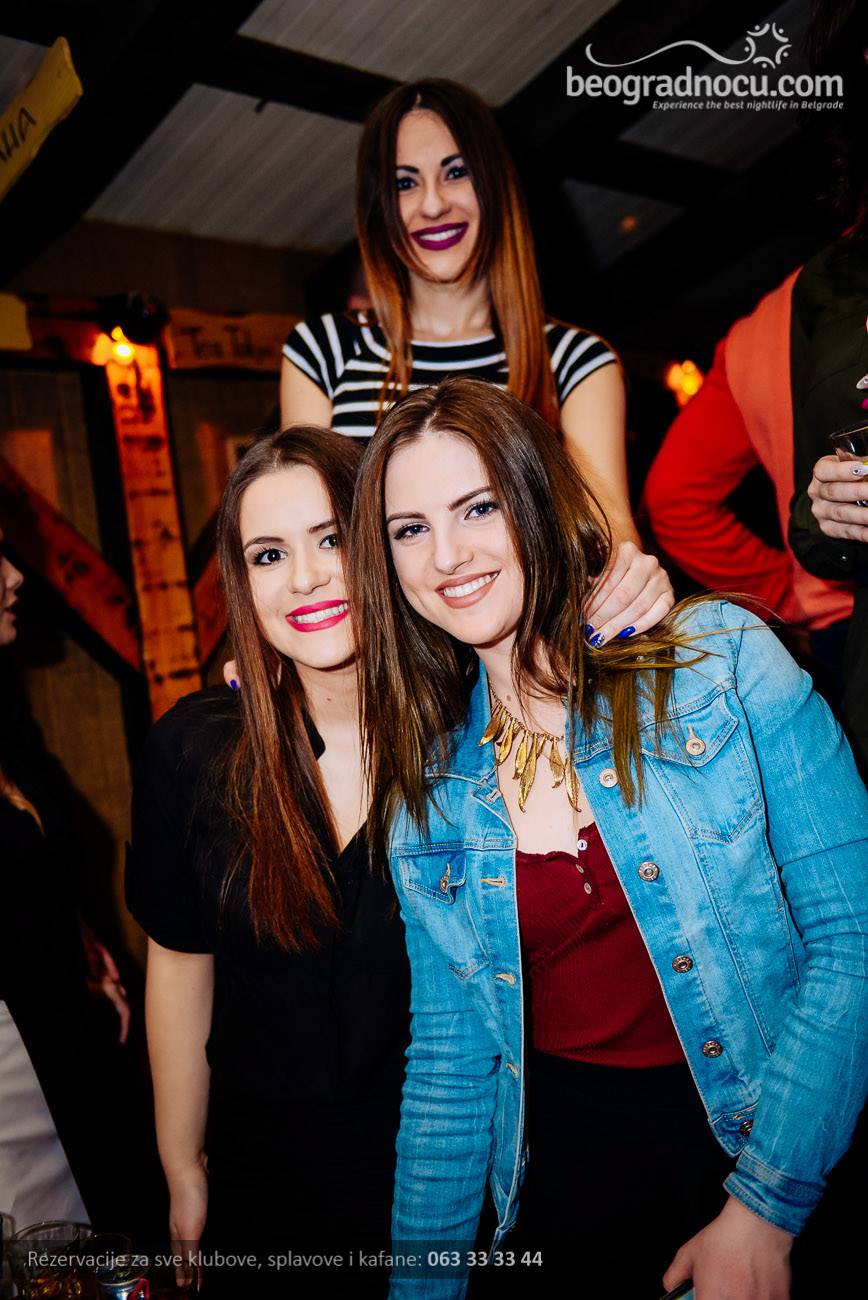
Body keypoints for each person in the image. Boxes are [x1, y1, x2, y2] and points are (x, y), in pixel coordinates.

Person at [348, 379, 868, 1299]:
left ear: (537, 500)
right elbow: (450, 1072)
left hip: (779, 1145)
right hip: (569, 1202)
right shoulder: (426, 795)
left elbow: (853, 939)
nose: (448, 555)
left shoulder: (720, 663)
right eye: (410, 529)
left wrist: (765, 1208)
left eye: (479, 507)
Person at [126, 428, 410, 1297]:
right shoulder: (194, 750)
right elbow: (180, 962)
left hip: (444, 1175)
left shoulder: (470, 740)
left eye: (332, 538)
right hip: (266, 1184)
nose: (307, 577)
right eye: (269, 555)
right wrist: (182, 1167)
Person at [282, 77, 673, 647]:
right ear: (378, 207)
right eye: (404, 183)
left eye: (456, 172)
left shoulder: (576, 361)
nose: (432, 203)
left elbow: (607, 534)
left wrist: (630, 583)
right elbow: (302, 535)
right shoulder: (322, 350)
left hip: (525, 660)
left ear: (494, 186)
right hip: (380, 666)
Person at [0, 525, 144, 1233]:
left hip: (64, 1050)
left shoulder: (9, 719)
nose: (15, 574)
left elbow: (33, 868)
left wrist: (82, 951)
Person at [644, 274, 854, 684]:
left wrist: (791, 594)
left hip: (839, 617)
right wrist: (787, 592)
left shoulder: (762, 328)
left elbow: (672, 497)